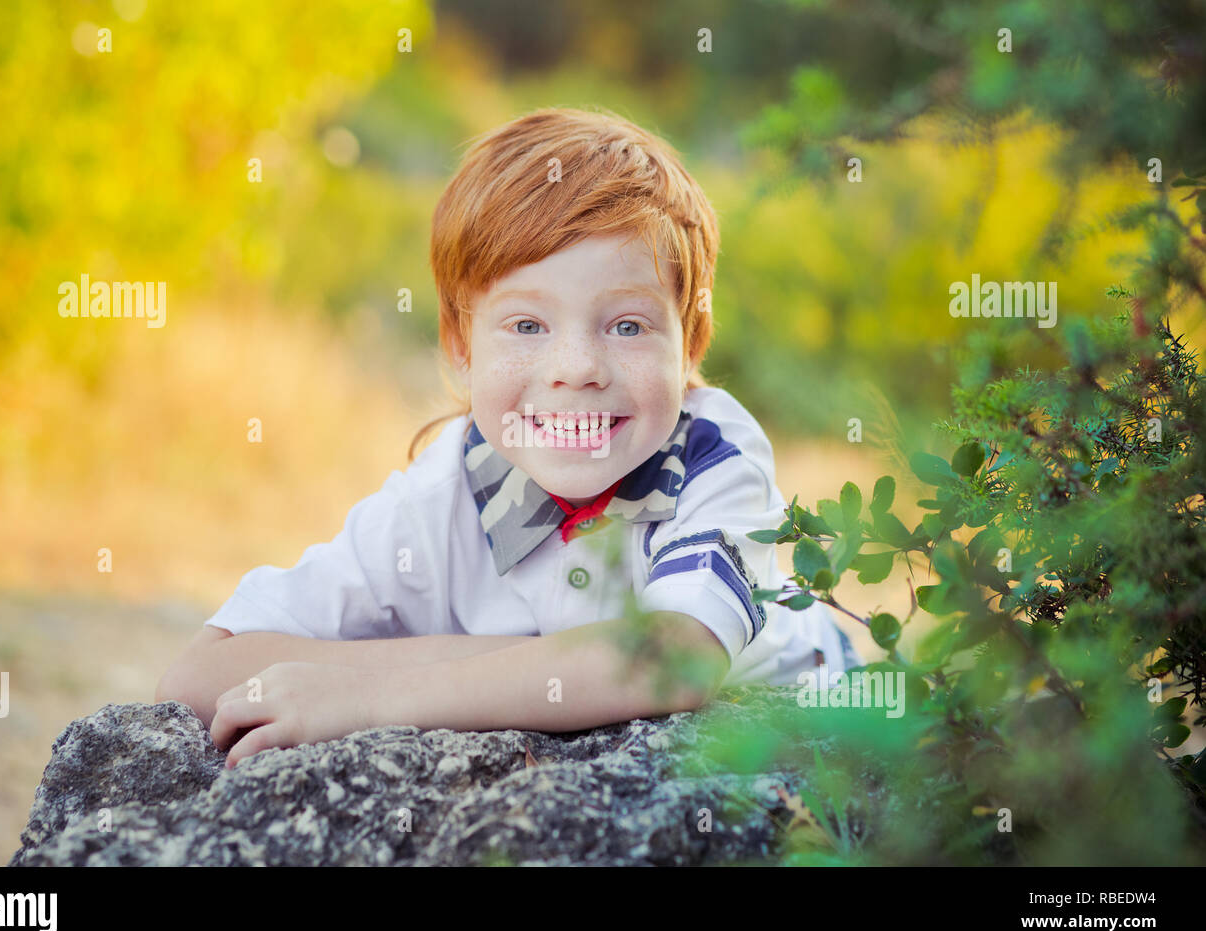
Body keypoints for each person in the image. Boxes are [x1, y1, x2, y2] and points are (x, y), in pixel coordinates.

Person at [155, 107, 861, 769]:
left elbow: (671, 658)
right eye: (527, 326)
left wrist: (370, 698)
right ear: (462, 347)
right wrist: (520, 662)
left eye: (628, 326)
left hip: (825, 749)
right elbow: (200, 675)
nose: (577, 369)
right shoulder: (442, 493)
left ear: (690, 345)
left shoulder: (712, 454)